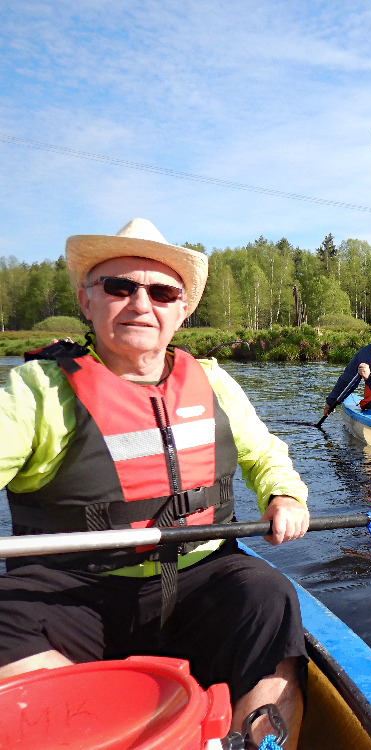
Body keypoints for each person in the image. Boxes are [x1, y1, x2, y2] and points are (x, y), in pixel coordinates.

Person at [0, 219, 310, 748]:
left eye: (162, 292)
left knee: (269, 598)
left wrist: (284, 492)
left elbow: (263, 452)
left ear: (181, 310)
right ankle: (102, 727)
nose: (142, 304)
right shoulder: (37, 390)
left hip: (197, 574)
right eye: (120, 287)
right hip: (71, 588)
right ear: (87, 300)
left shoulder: (212, 380)